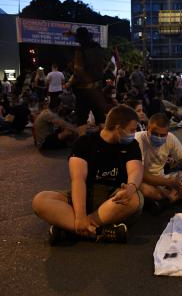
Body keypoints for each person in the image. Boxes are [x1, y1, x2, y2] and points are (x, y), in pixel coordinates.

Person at [32, 105, 144, 245]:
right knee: (40, 200)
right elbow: (78, 179)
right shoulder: (85, 143)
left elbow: (136, 169)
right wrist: (80, 215)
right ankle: (99, 232)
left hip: (112, 199)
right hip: (84, 196)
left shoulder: (131, 145)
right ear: (118, 128)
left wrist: (131, 187)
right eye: (132, 130)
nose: (134, 134)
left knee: (134, 199)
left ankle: (73, 229)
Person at [135, 113, 182, 214]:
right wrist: (170, 183)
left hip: (163, 180)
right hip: (145, 180)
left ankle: (166, 202)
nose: (159, 137)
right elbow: (141, 175)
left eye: (163, 135)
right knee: (142, 189)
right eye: (155, 133)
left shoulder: (170, 138)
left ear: (168, 132)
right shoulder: (138, 140)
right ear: (147, 128)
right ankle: (180, 196)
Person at [65, 27, 109, 131]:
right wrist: (72, 33)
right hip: (97, 89)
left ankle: (82, 144)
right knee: (100, 117)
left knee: (81, 119)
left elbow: (78, 71)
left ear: (79, 39)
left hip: (83, 90)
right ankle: (103, 142)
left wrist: (69, 83)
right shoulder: (98, 47)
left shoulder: (80, 50)